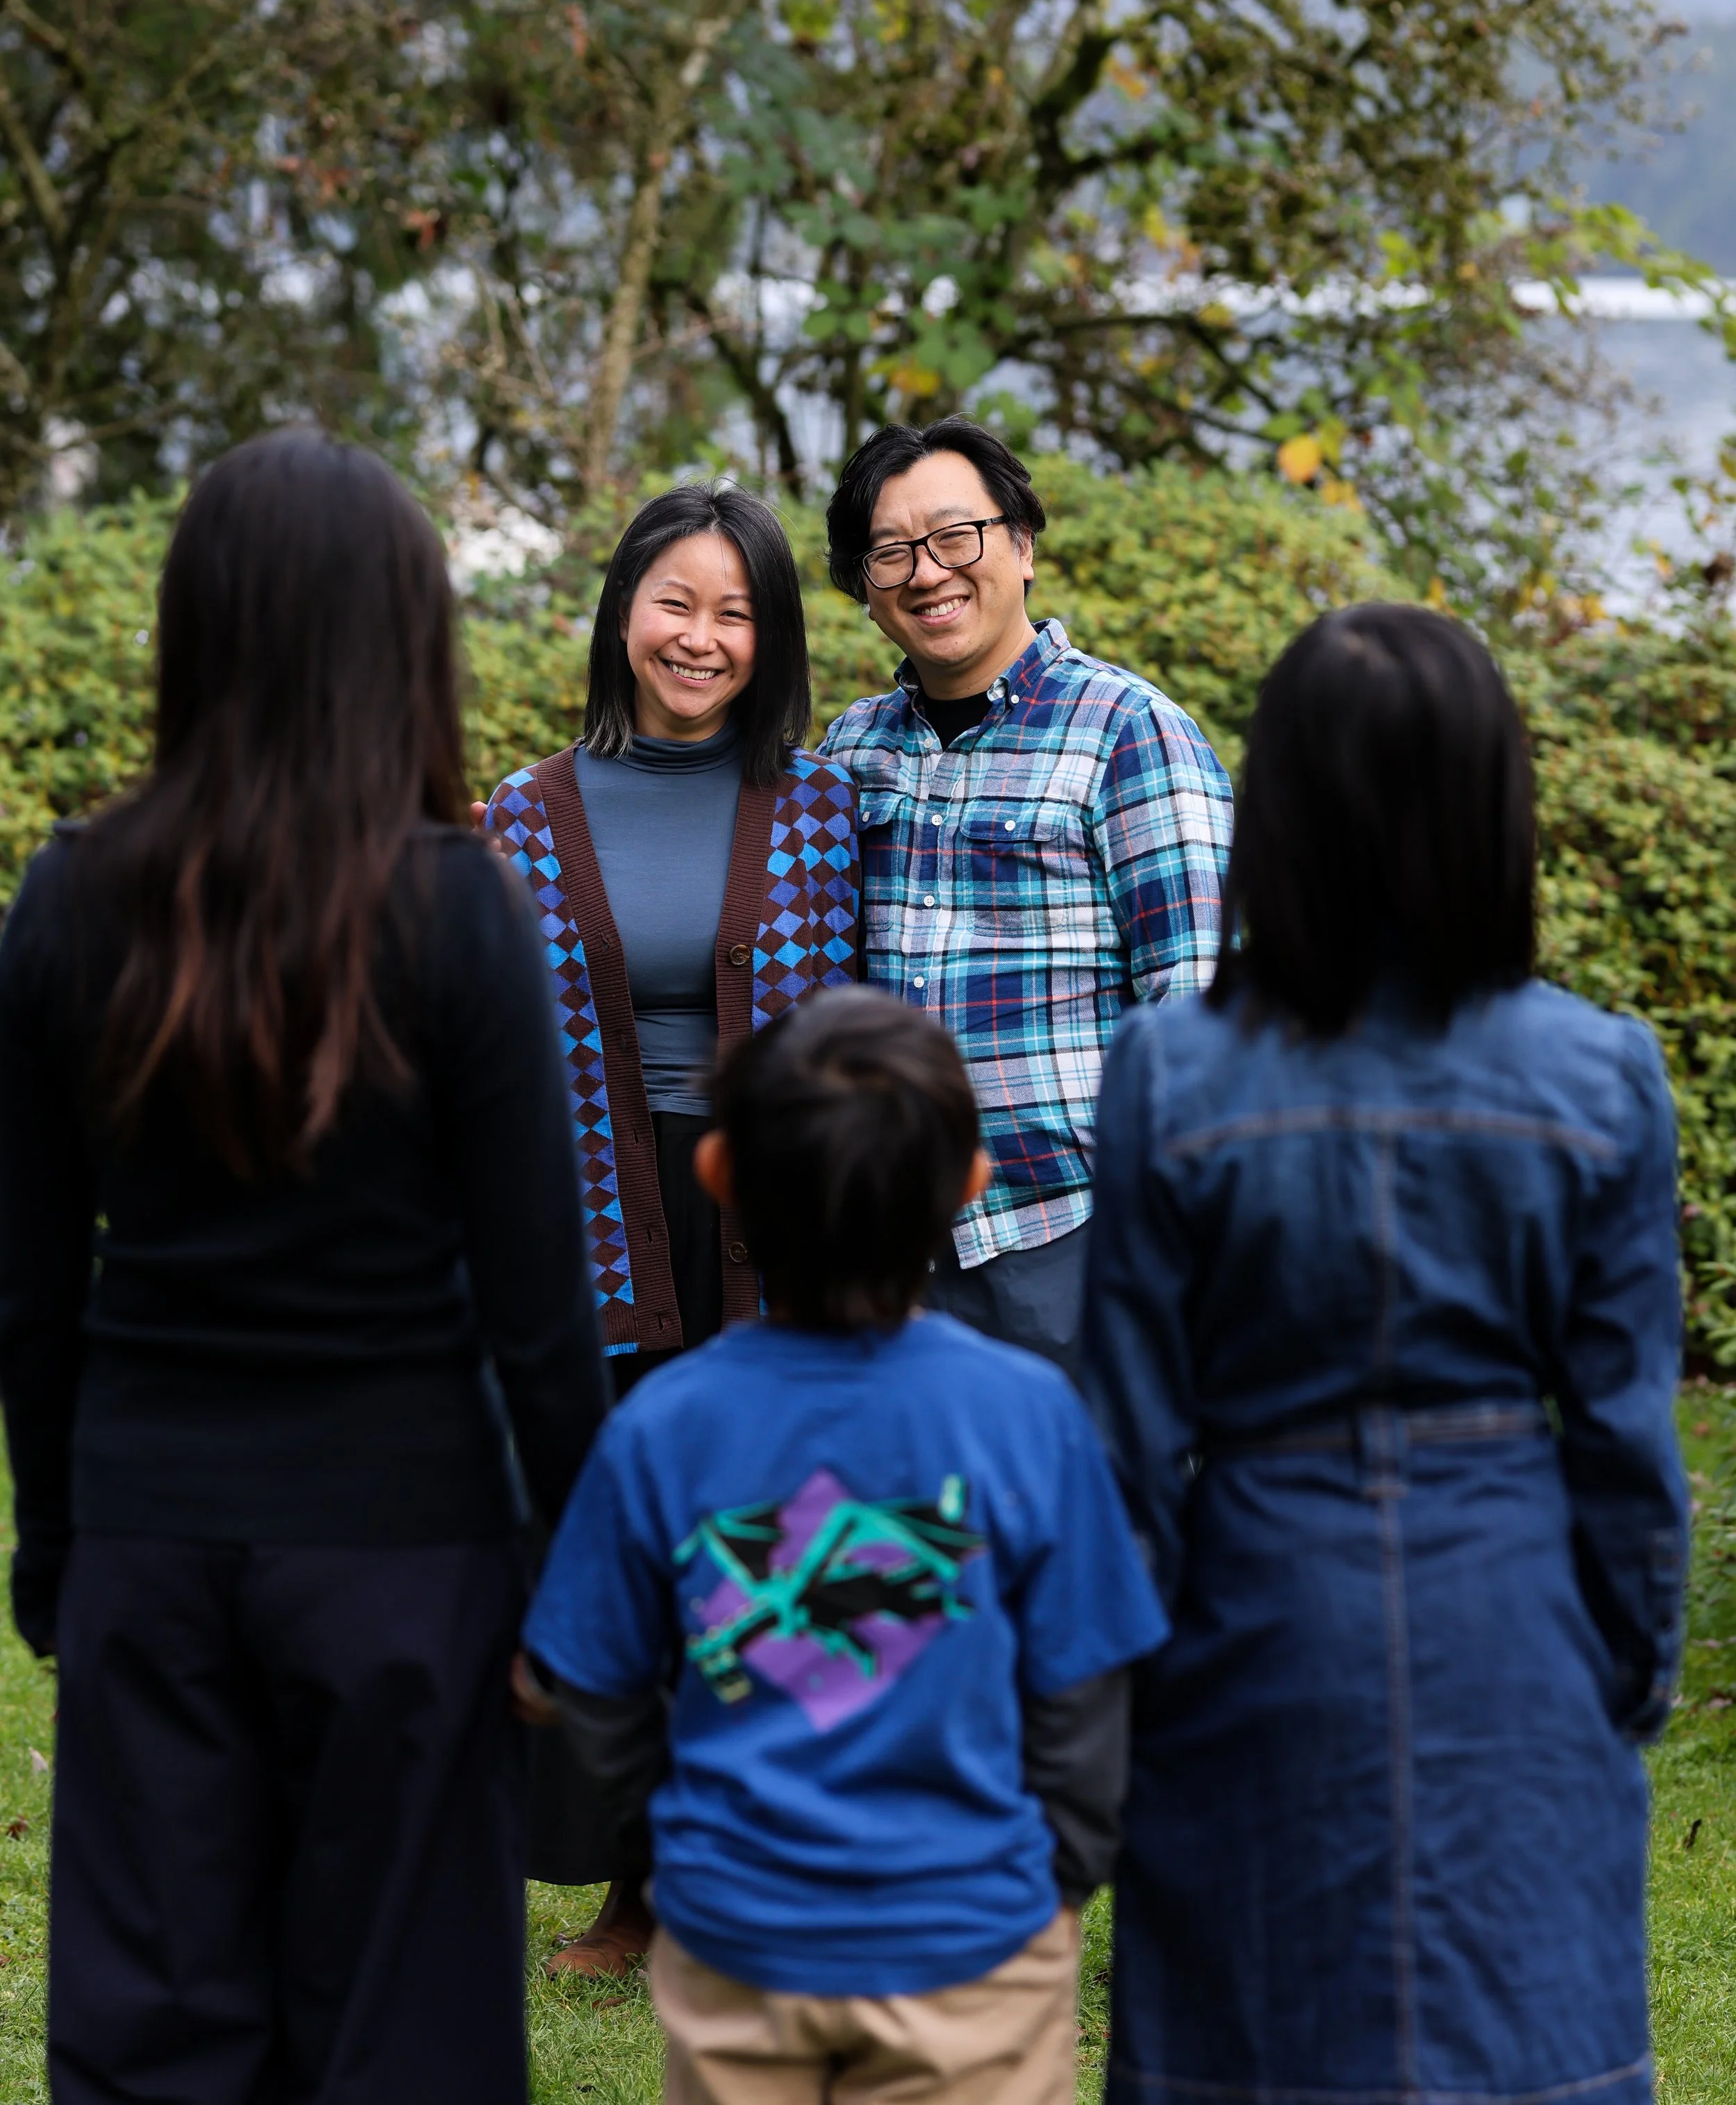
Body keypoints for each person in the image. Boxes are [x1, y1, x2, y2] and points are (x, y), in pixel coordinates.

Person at [0, 431, 608, 2105]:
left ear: (195, 629)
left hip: (152, 1529)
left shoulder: (69, 898)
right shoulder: (460, 910)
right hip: (405, 1551)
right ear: (403, 637)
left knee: (155, 2032)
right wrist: (578, 1589)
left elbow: (32, 1293)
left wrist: (57, 1544)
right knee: (402, 2027)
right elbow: (540, 1314)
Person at [1084, 603, 1689, 2105]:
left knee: (1253, 2046)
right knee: (1520, 2044)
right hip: (1512, 1614)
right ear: (1492, 798)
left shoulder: (1170, 1067)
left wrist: (1127, 1693)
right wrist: (1621, 1673)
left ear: (1273, 810)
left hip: (1253, 1616)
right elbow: (1623, 1438)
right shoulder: (1596, 1071)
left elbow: (1127, 1443)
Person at [517, 986, 1168, 2105]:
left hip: (734, 1943)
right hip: (980, 1947)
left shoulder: (661, 1426)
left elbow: (585, 1682)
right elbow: (1088, 1680)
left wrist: (674, 1830)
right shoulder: (1030, 1414)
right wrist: (1060, 1870)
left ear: (719, 1174)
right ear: (969, 1185)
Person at [479, 479, 860, 1970]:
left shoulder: (824, 800)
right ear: (620, 612)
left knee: (769, 1539)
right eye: (673, 603)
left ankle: (761, 1875)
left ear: (769, 640)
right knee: (611, 1537)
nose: (698, 638)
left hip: (775, 1219)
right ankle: (626, 1884)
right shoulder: (523, 811)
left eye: (734, 612)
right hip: (588, 1215)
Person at [819, 417, 1232, 1376]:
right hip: (887, 1250)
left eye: (956, 536)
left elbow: (1203, 1011)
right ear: (867, 591)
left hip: (1075, 1239)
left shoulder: (1130, 732)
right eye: (891, 552)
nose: (929, 572)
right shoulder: (852, 749)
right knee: (913, 1527)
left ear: (1021, 544)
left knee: (1095, 1523)